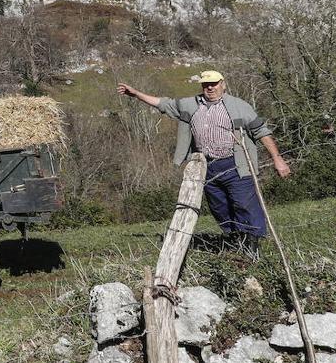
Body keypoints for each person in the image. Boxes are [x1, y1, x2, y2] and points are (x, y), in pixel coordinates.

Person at [116, 71, 291, 254]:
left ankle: (254, 245)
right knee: (219, 207)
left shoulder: (239, 106)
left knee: (244, 204)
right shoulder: (191, 105)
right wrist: (136, 94)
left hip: (236, 165)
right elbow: (163, 103)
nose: (210, 87)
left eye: (214, 83)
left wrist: (277, 159)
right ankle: (234, 242)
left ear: (223, 84)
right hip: (206, 167)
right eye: (206, 84)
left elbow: (261, 131)